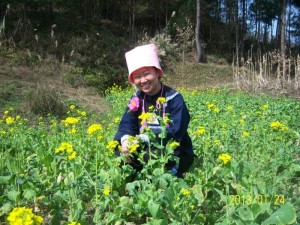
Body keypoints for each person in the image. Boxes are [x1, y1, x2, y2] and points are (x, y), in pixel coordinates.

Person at [114, 43, 194, 178]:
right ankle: (140, 173)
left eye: (146, 74)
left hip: (172, 149)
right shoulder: (136, 99)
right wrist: (126, 140)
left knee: (150, 155)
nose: (143, 80)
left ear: (157, 72)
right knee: (118, 151)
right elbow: (127, 124)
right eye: (137, 77)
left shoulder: (174, 98)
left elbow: (176, 131)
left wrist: (145, 138)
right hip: (145, 146)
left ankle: (172, 174)